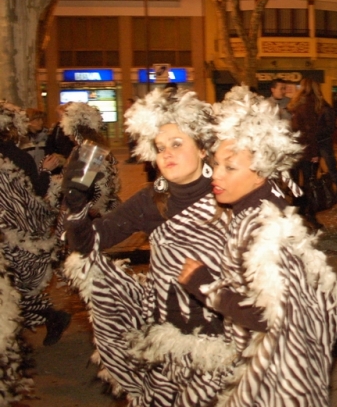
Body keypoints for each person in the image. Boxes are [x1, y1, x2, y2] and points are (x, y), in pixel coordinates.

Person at [178, 86, 337, 405]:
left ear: (261, 172)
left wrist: (205, 286)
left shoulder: (262, 227)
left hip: (276, 376)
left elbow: (269, 314)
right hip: (271, 363)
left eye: (230, 167)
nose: (216, 175)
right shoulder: (254, 210)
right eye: (215, 164)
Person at [62, 88, 231, 407]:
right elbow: (87, 245)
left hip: (225, 344)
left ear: (202, 148)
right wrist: (74, 202)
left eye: (177, 144)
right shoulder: (151, 199)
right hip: (166, 343)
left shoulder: (231, 194)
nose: (166, 153)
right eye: (160, 146)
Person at [0, 101, 70, 344]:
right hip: (18, 233)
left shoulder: (15, 156)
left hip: (13, 235)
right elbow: (35, 190)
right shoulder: (18, 155)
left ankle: (50, 317)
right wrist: (45, 170)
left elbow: (30, 193)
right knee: (12, 287)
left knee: (12, 287)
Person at [288, 78, 324, 230]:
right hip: (307, 151)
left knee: (297, 185)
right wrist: (315, 153)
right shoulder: (310, 105)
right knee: (310, 184)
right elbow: (311, 132)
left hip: (295, 151)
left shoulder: (297, 104)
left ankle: (296, 214)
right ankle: (309, 215)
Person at [313, 80, 337, 203]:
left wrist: (316, 133)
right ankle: (318, 193)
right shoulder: (316, 108)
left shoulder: (326, 109)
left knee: (332, 169)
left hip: (325, 143)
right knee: (314, 169)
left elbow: (330, 128)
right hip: (317, 143)